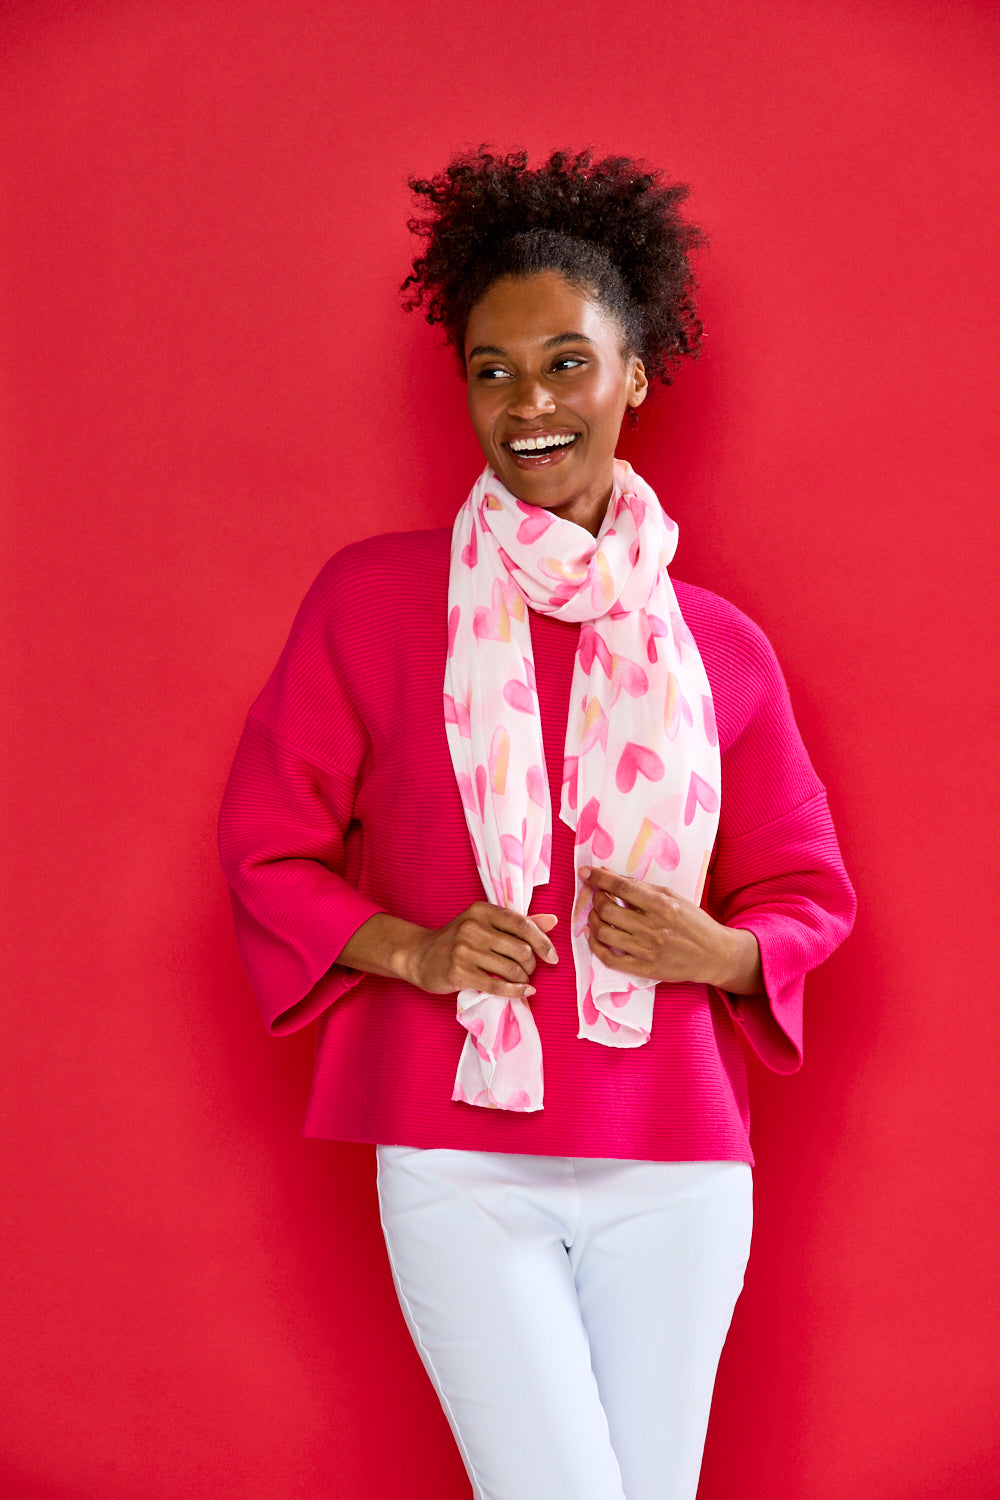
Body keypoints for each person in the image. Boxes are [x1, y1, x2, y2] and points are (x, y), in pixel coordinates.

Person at [219, 147, 855, 1500]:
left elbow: (807, 893)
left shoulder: (717, 650)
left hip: (674, 1164)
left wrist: (720, 951)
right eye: (492, 370)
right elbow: (267, 846)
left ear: (634, 374)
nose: (529, 404)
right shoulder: (376, 605)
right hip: (462, 1158)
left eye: (568, 362)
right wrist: (416, 950)